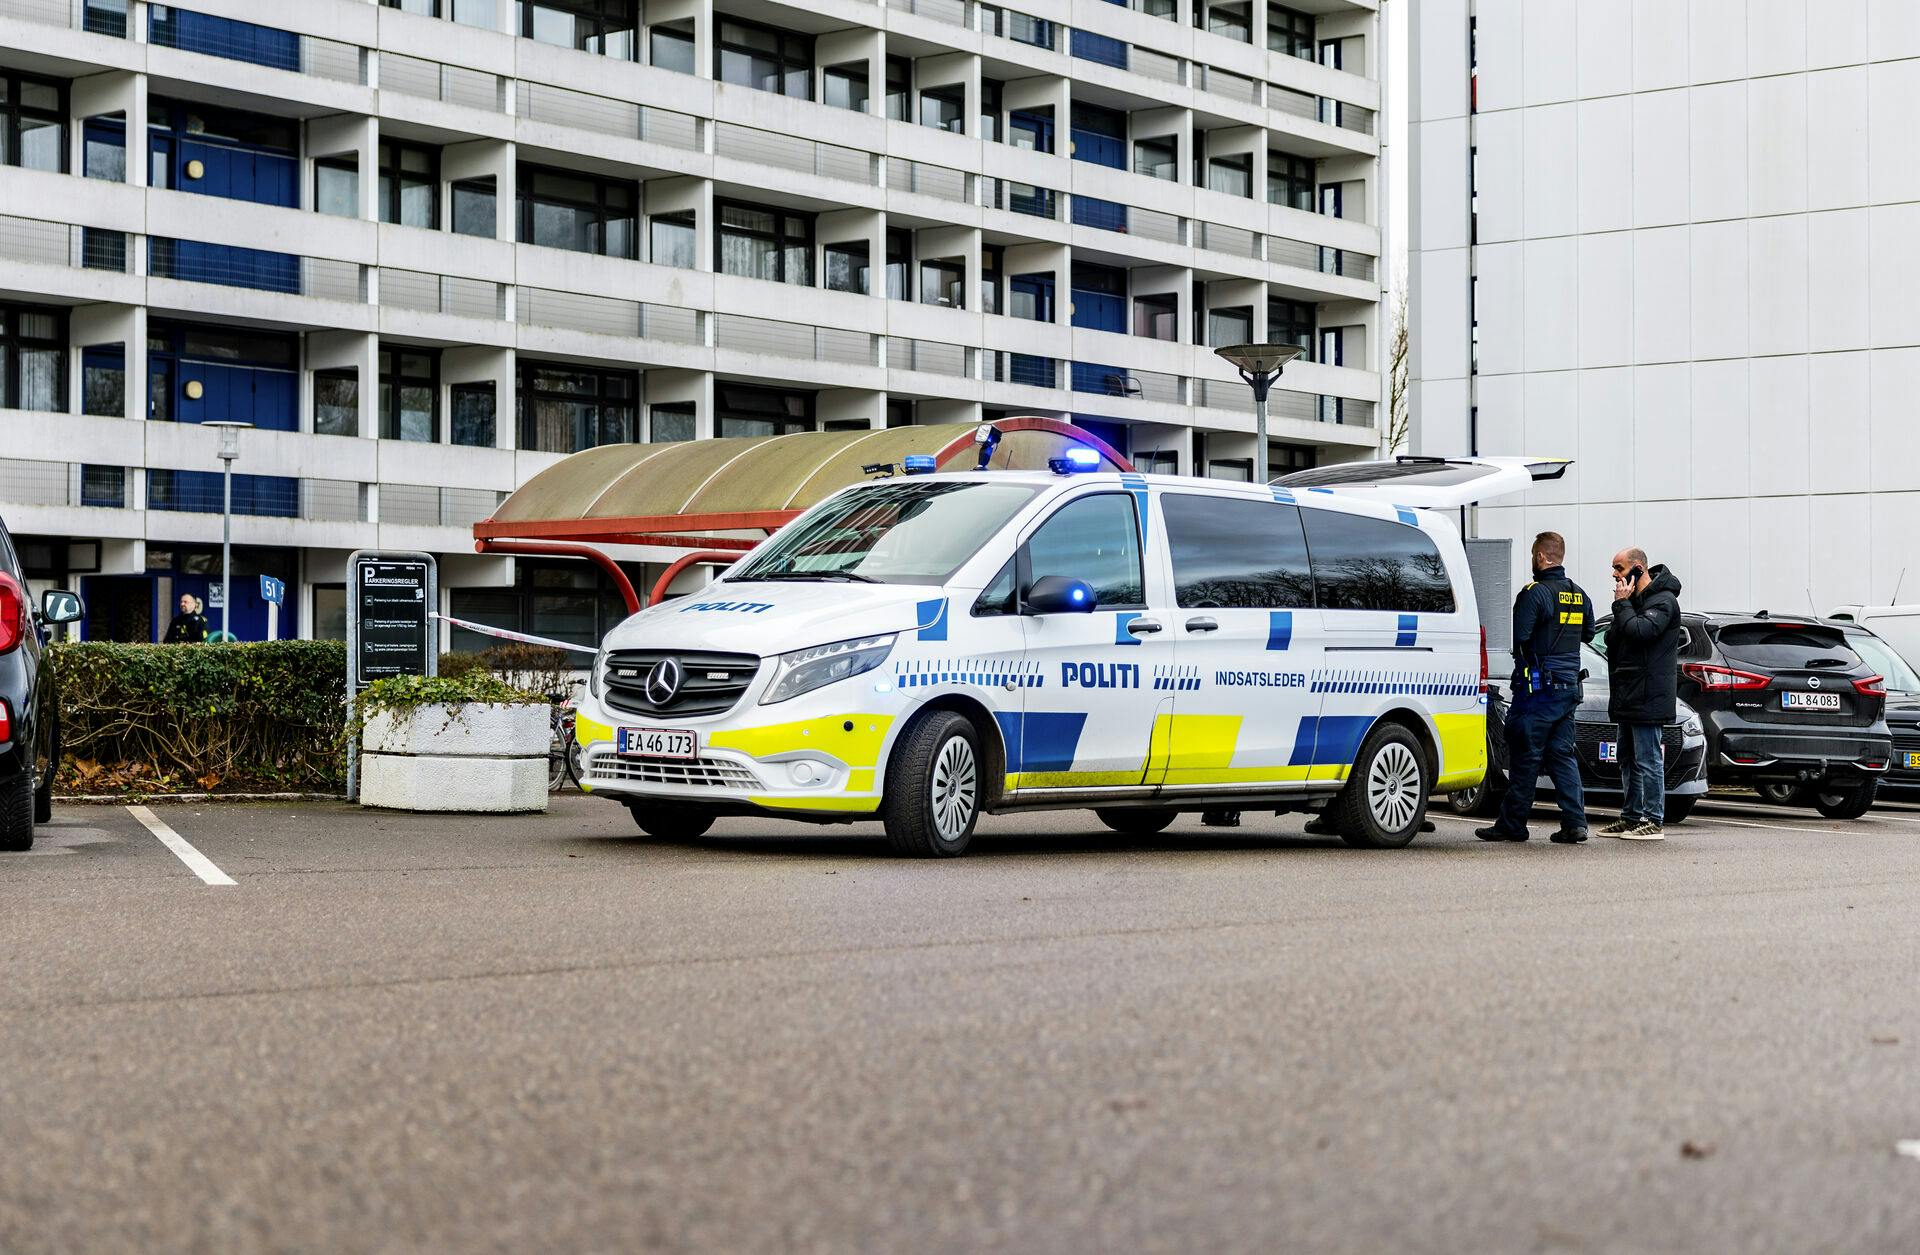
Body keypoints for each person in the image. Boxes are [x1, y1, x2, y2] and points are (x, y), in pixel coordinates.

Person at [1477, 532, 1595, 844]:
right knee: (1562, 755)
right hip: (1569, 688)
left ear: (1541, 557)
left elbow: (1520, 641)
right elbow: (1589, 634)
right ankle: (1575, 823)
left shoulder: (1534, 593)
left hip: (1538, 691)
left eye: (1533, 556)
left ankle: (1512, 824)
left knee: (1524, 755)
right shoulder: (1580, 594)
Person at [1599, 549, 1683, 841]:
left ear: (1637, 568)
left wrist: (1622, 605)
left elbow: (1641, 632)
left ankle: (1653, 819)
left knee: (1648, 758)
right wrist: (1624, 606)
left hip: (1648, 694)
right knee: (1627, 758)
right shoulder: (1632, 601)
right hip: (1628, 692)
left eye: (1618, 568)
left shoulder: (1664, 601)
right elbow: (1611, 638)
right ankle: (1630, 816)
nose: (1614, 575)